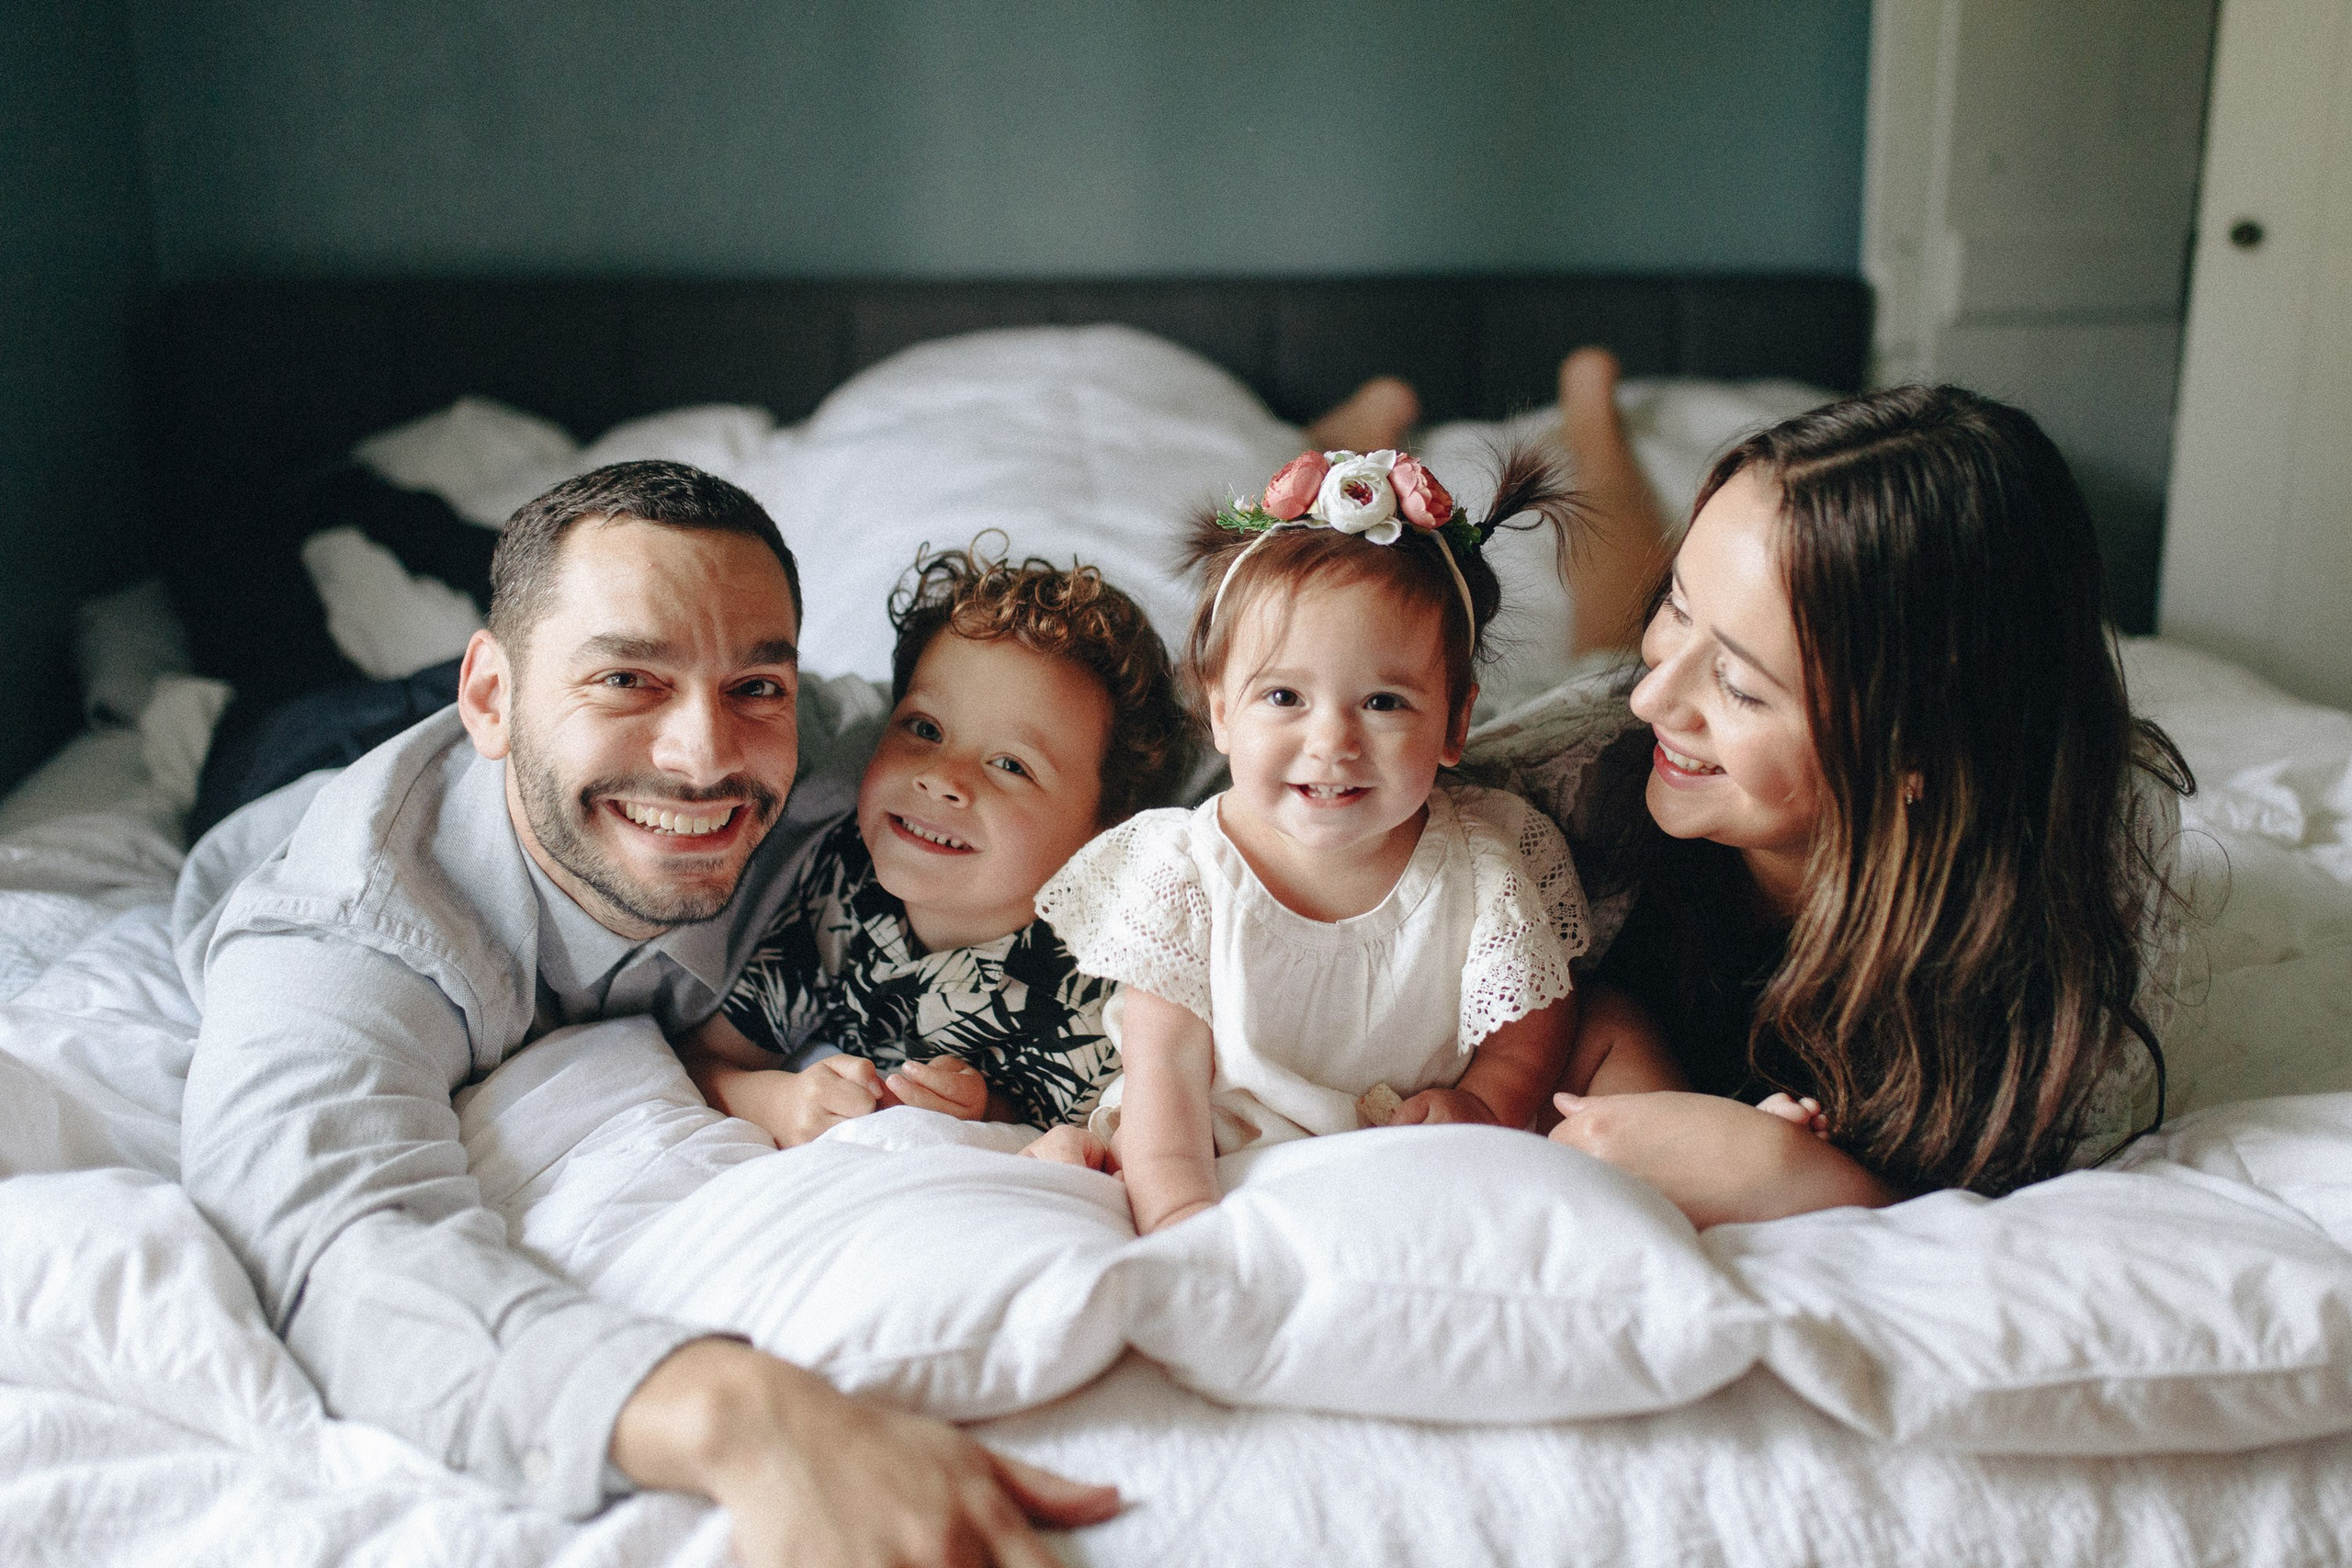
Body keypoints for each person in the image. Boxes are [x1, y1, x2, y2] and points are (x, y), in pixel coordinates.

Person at [175, 461, 1119, 1566]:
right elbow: (336, 1248)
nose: (707, 757)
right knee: (264, 634)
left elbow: (1192, 780)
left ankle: (475, 558)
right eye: (630, 678)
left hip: (541, 711)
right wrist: (736, 1415)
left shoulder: (847, 755)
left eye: (757, 686)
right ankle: (345, 503)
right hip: (300, 760)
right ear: (491, 700)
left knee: (601, 630)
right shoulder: (343, 922)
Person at [1462, 382, 2195, 1227]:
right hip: (1562, 696)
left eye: (1740, 686)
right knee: (1600, 632)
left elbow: (2044, 1191)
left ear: (1922, 747)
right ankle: (1593, 421)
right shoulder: (1553, 788)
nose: (1655, 697)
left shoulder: (2090, 879)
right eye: (1676, 603)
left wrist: (1794, 1172)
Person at [1032, 446, 1683, 1234]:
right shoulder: (1187, 872)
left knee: (1616, 1031)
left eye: (1383, 701)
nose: (1332, 740)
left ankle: (1674, 1186)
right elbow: (1163, 1072)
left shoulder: (1484, 862)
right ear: (1221, 710)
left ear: (1455, 721)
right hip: (1222, 1150)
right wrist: (1182, 1218)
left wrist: (1486, 1103)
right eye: (1284, 695)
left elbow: (1531, 1028)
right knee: (1111, 1149)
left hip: (1419, 1148)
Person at [678, 544, 1194, 1145]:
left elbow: (1103, 1143)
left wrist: (990, 1116)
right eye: (925, 729)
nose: (943, 777)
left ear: (1107, 831)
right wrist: (778, 1100)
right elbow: (706, 1058)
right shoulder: (843, 880)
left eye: (1009, 764)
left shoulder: (1106, 990)